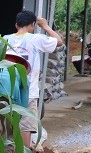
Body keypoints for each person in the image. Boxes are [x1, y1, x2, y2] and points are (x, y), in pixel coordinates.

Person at [3, 10, 63, 150]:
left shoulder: (5, 39)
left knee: (5, 125)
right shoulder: (36, 39)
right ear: (32, 25)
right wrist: (46, 26)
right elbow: (59, 41)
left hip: (6, 91)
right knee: (26, 126)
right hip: (27, 91)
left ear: (16, 25)